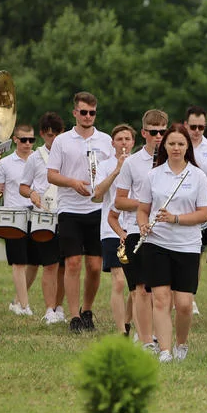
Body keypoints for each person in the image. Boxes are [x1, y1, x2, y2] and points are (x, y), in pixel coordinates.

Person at [136, 124, 207, 363]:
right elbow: (142, 209)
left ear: (187, 146)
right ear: (164, 146)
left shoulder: (197, 176)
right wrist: (142, 225)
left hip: (187, 245)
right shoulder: (153, 175)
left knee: (184, 304)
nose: (176, 148)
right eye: (171, 144)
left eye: (180, 144)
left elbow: (204, 214)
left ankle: (181, 343)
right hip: (157, 244)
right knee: (160, 298)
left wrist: (176, 218)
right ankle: (166, 350)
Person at [47, 91, 113, 333]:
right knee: (73, 262)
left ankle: (87, 310)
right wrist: (72, 183)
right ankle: (73, 316)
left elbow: (114, 170)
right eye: (83, 112)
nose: (87, 116)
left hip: (97, 209)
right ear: (75, 113)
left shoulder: (106, 140)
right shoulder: (62, 141)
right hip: (69, 208)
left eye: (92, 113)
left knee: (95, 266)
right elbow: (51, 174)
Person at [111, 109, 169, 349]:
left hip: (167, 231)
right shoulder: (133, 163)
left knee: (163, 291)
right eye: (153, 132)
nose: (158, 136)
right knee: (141, 289)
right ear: (144, 132)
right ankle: (146, 340)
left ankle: (157, 334)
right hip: (137, 231)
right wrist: (145, 204)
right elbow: (119, 202)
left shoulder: (174, 161)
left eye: (162, 132)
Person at [0, 122, 38, 316]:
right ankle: (25, 306)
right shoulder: (5, 163)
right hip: (13, 217)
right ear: (15, 140)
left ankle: (17, 301)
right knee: (18, 263)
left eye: (31, 140)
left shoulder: (40, 159)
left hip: (36, 215)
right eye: (24, 140)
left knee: (34, 263)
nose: (28, 143)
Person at [19, 112, 66, 324]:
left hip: (66, 213)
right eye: (49, 135)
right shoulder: (35, 157)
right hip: (43, 215)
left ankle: (60, 307)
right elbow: (23, 186)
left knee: (65, 266)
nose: (53, 138)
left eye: (56, 134)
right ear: (42, 134)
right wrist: (31, 194)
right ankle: (49, 309)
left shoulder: (68, 153)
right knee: (49, 264)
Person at [92, 124, 133, 333]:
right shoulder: (105, 165)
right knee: (118, 281)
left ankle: (127, 320)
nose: (124, 143)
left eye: (127, 139)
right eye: (120, 139)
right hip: (111, 229)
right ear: (113, 143)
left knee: (137, 284)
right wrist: (117, 170)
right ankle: (121, 331)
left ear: (133, 142)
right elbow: (97, 193)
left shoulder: (140, 164)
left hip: (135, 227)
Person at [184, 105, 207, 316]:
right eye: (193, 126)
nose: (197, 131)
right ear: (186, 125)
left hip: (201, 207)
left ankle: (190, 296)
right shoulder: (178, 143)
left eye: (201, 127)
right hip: (178, 205)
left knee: (195, 253)